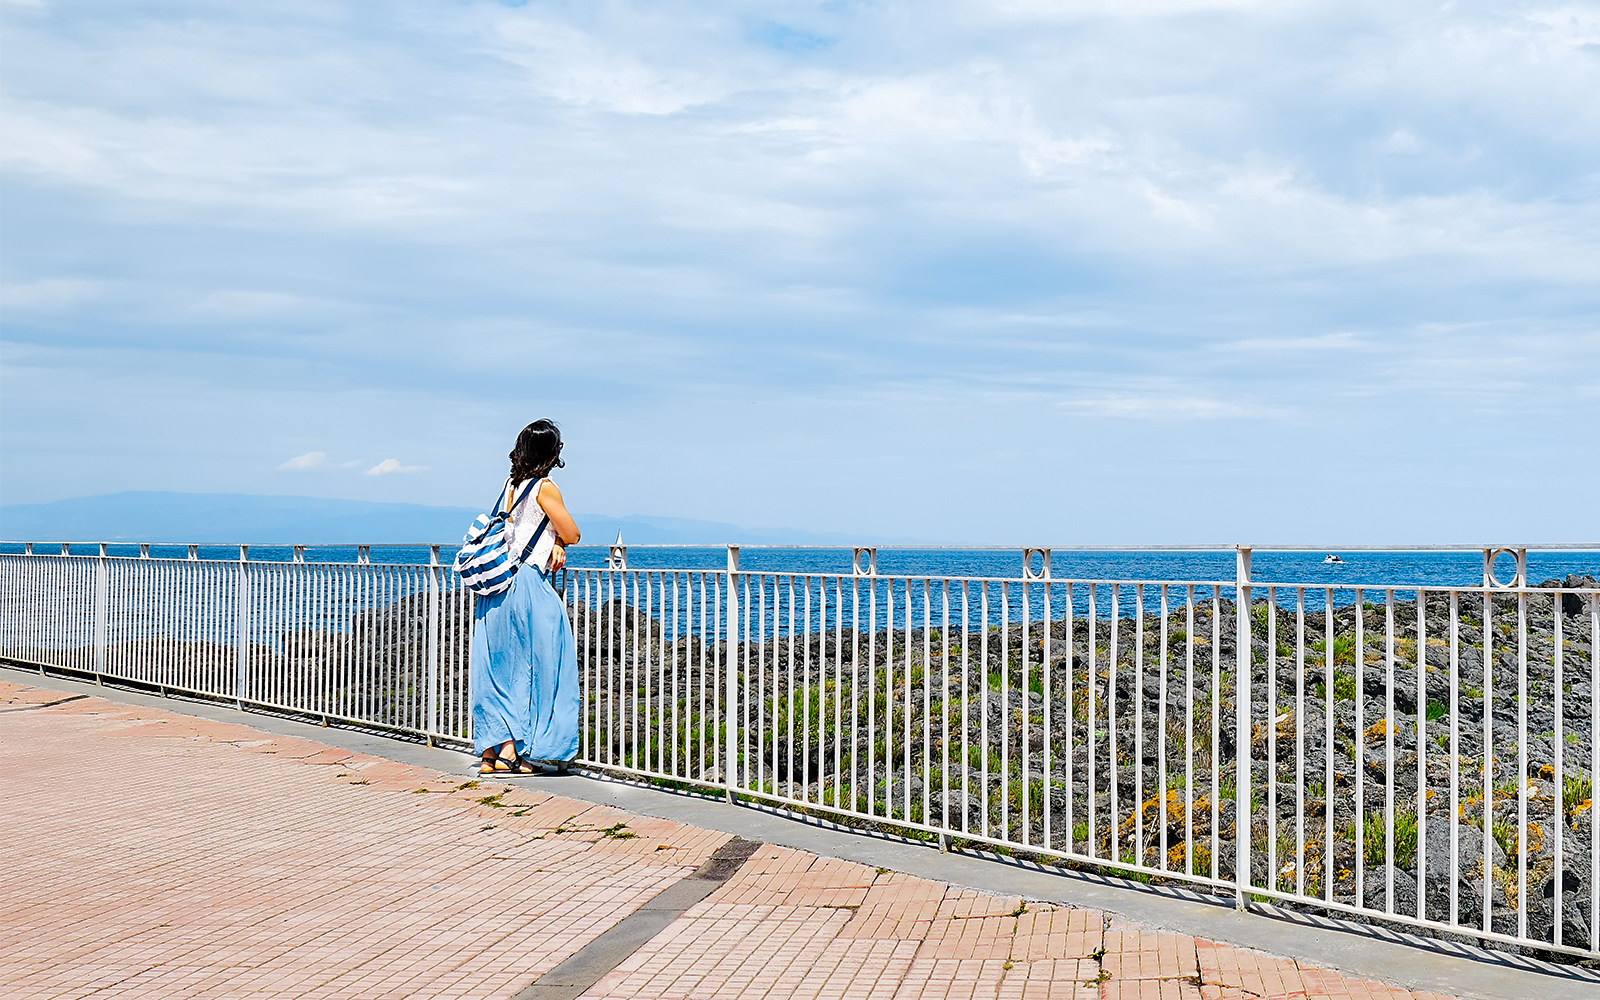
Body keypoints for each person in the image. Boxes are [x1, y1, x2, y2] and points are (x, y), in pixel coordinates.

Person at [470, 419, 582, 776]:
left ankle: (493, 751)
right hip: (529, 585)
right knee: (545, 666)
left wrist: (558, 543)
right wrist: (562, 542)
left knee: (497, 668)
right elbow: (573, 532)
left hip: (497, 585)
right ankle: (524, 749)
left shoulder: (510, 485)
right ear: (553, 453)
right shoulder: (545, 488)